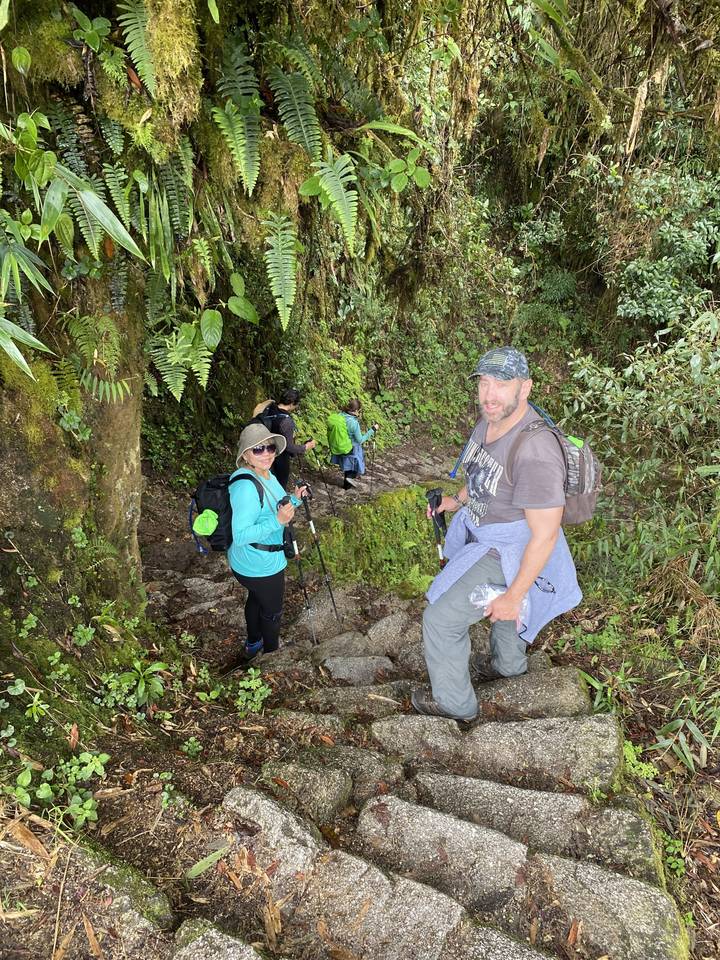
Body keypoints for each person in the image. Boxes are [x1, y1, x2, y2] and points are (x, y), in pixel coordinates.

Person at [411, 346, 582, 722]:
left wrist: (515, 593)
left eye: (502, 384)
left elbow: (545, 536)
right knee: (504, 607)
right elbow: (481, 475)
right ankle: (508, 669)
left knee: (440, 621)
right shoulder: (490, 421)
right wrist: (455, 501)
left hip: (512, 546)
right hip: (486, 532)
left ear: (525, 388)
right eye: (484, 383)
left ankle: (457, 706)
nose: (489, 394)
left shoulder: (536, 451)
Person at [226, 421, 308, 664]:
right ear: (245, 454)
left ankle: (253, 643)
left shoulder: (265, 474)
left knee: (256, 598)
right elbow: (240, 534)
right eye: (258, 449)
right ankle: (271, 656)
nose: (267, 454)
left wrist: (294, 500)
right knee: (272, 612)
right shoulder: (245, 487)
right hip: (260, 564)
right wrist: (277, 521)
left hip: (253, 562)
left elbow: (277, 507)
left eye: (270, 448)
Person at [253, 389, 317, 490]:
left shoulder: (270, 408)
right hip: (280, 458)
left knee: (265, 484)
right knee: (279, 486)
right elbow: (289, 447)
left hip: (262, 452)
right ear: (292, 404)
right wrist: (306, 446)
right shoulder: (286, 421)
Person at [328, 399, 377, 489]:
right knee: (353, 468)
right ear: (356, 411)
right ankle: (348, 485)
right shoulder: (354, 423)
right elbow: (360, 440)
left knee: (347, 467)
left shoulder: (340, 416)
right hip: (352, 448)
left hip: (341, 445)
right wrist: (372, 430)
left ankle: (346, 485)